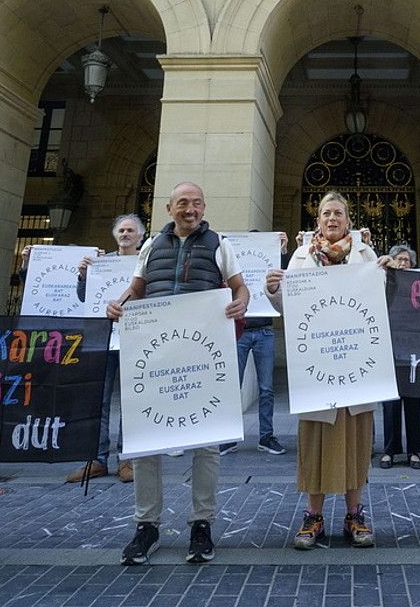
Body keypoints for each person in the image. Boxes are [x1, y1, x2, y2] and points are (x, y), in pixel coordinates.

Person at [106, 184, 248, 565]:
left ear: (204, 207)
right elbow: (137, 287)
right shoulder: (152, 245)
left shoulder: (220, 244)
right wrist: (118, 305)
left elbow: (239, 287)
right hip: (156, 353)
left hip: (203, 353)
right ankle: (146, 526)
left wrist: (240, 304)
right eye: (182, 203)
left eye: (196, 203)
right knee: (146, 439)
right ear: (169, 208)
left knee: (207, 440)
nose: (190, 209)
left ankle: (201, 524)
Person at [265, 192, 380, 550]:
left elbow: (379, 301)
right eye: (326, 213)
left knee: (356, 439)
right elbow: (291, 307)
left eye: (339, 213)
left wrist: (390, 275)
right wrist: (273, 291)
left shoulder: (366, 256)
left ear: (348, 219)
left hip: (355, 361)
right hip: (317, 365)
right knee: (314, 440)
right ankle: (313, 517)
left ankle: (354, 515)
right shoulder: (299, 259)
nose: (332, 219)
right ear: (317, 220)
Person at [68, 214, 145, 484]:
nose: (125, 234)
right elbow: (82, 299)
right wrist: (83, 277)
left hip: (134, 340)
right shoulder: (100, 264)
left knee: (131, 401)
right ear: (115, 235)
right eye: (121, 230)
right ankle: (97, 459)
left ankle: (127, 458)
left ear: (140, 236)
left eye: (130, 230)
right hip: (103, 340)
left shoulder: (144, 264)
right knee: (98, 400)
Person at [222, 230, 289, 458]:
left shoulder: (271, 265)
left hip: (264, 330)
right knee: (233, 387)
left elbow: (287, 279)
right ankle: (228, 437)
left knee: (267, 388)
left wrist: (282, 253)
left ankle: (266, 436)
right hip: (239, 330)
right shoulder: (231, 266)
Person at [376, 244, 420, 469]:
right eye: (399, 260)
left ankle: (414, 451)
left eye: (406, 260)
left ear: (413, 264)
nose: (403, 263)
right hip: (390, 349)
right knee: (390, 403)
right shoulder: (384, 281)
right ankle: (390, 451)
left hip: (414, 350)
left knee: (413, 401)